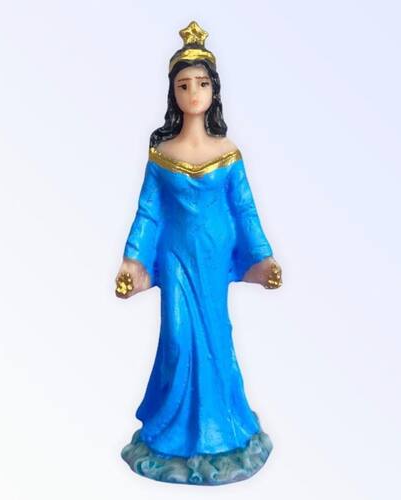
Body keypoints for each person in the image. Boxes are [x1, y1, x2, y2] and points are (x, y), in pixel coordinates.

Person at [115, 21, 283, 485]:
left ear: (214, 90)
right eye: (184, 85)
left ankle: (222, 432)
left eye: (201, 83)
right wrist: (133, 262)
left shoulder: (228, 153)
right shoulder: (161, 154)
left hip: (213, 260)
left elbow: (245, 211)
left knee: (215, 341)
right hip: (175, 259)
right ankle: (172, 435)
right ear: (173, 93)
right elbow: (148, 213)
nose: (193, 92)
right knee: (177, 339)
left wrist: (263, 259)